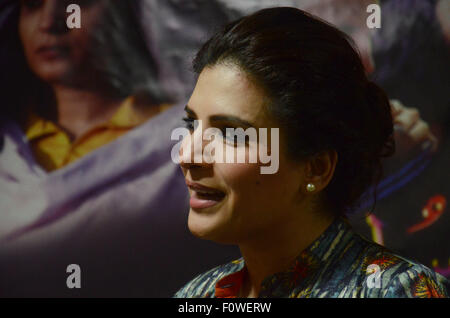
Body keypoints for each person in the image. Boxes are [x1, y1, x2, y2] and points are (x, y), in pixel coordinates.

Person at [174, 7, 449, 298]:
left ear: (316, 168)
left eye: (231, 134)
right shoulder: (198, 295)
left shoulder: (398, 291)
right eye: (191, 124)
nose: (187, 155)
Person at [0, 0, 240, 297]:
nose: (50, 23)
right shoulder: (6, 145)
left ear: (128, 14)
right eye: (32, 6)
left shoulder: (189, 140)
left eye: (79, 5)